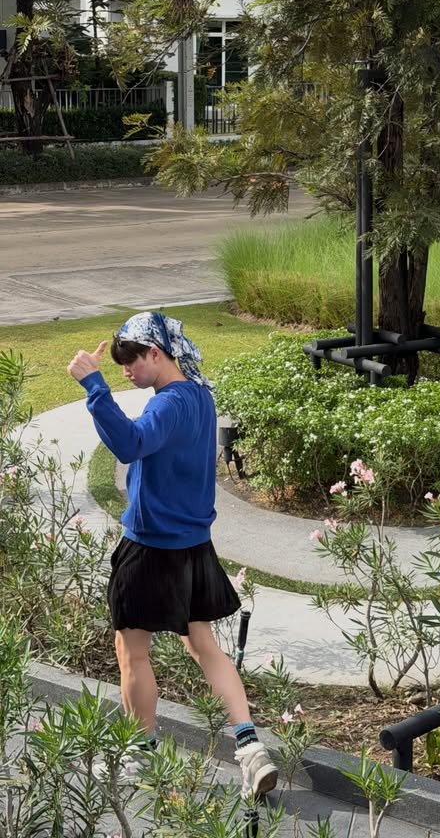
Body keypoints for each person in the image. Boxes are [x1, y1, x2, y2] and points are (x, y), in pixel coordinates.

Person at [67, 311, 278, 799]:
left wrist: (94, 385)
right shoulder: (200, 397)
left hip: (150, 547)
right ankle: (250, 750)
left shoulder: (168, 405)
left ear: (156, 354)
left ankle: (139, 754)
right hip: (193, 547)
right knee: (202, 645)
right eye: (118, 364)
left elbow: (129, 443)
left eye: (130, 361)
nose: (125, 370)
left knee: (131, 651)